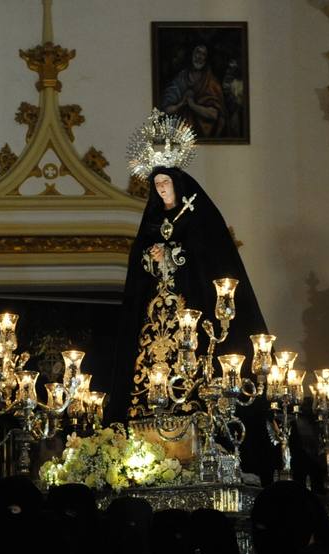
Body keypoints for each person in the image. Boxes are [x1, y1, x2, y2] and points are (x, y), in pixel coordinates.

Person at [106, 147, 275, 480]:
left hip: (190, 312)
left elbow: (209, 255)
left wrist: (172, 253)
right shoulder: (153, 220)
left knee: (196, 366)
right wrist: (152, 257)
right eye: (157, 185)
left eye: (166, 182)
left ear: (178, 182)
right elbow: (139, 266)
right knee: (149, 370)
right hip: (157, 313)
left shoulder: (196, 214)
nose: (162, 189)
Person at [161, 44, 226, 138]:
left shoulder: (212, 83)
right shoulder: (181, 78)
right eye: (197, 52)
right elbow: (165, 110)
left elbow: (215, 114)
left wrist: (192, 105)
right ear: (191, 54)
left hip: (206, 138)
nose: (199, 57)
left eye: (203, 54)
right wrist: (181, 103)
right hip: (181, 136)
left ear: (206, 58)